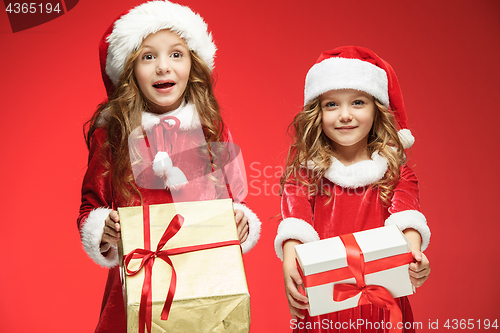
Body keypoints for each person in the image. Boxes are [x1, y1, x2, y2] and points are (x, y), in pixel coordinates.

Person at [77, 1, 261, 332]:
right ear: (130, 68)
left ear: (193, 63)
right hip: (139, 285)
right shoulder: (112, 135)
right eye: (149, 56)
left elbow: (234, 198)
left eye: (176, 54)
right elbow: (91, 206)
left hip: (203, 281)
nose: (164, 66)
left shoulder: (209, 128)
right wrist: (102, 228)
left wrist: (240, 220)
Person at [274, 46, 431, 332]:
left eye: (357, 102)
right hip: (324, 310)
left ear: (376, 108)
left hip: (384, 308)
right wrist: (289, 263)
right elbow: (294, 224)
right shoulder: (305, 176)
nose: (344, 115)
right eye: (331, 104)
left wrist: (415, 257)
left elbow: (408, 219)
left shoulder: (397, 174)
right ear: (317, 113)